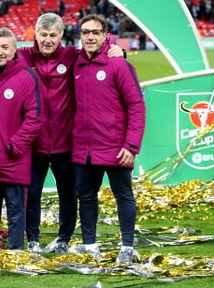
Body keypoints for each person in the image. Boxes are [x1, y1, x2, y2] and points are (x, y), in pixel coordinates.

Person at [0, 13, 122, 255]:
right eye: (43, 35)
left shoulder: (71, 56)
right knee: (32, 194)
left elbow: (96, 51)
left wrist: (117, 50)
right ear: (35, 35)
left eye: (53, 35)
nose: (47, 40)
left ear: (61, 36)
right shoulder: (23, 55)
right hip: (33, 144)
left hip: (65, 142)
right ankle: (33, 238)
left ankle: (63, 239)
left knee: (68, 194)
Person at [72, 14, 146, 264]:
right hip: (85, 148)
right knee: (86, 196)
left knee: (123, 195)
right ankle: (90, 246)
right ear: (80, 36)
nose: (90, 36)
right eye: (85, 32)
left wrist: (132, 144)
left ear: (105, 36)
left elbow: (136, 105)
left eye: (96, 32)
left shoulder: (119, 65)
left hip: (116, 148)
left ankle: (127, 247)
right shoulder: (77, 65)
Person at [0, 28, 43, 250]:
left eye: (5, 47)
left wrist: (14, 146)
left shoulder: (27, 77)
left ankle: (16, 252)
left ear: (15, 50)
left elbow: (35, 118)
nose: (0, 52)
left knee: (16, 210)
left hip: (13, 159)